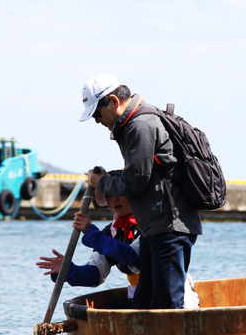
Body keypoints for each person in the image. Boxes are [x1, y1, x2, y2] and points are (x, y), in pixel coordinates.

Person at [79, 74, 202, 309]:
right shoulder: (135, 123)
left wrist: (102, 183)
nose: (97, 121)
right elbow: (142, 171)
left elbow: (136, 180)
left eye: (97, 114)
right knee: (145, 303)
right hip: (155, 228)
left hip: (168, 227)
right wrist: (108, 177)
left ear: (114, 101)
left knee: (166, 305)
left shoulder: (140, 125)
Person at [36, 188, 199, 308]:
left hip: (174, 298)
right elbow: (95, 275)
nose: (115, 199)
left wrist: (90, 232)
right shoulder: (110, 233)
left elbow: (134, 258)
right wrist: (67, 270)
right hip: (140, 299)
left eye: (120, 192)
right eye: (109, 195)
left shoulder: (153, 226)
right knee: (113, 308)